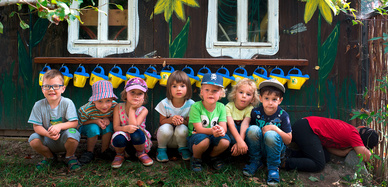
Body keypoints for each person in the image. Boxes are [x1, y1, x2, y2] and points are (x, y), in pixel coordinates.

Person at [28, 69, 81, 171]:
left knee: (73, 133)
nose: (51, 89)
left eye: (56, 86)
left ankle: (69, 156)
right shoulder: (38, 105)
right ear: (42, 89)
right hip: (48, 139)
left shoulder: (67, 103)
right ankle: (49, 157)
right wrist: (48, 134)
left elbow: (74, 123)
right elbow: (36, 126)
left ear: (63, 89)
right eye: (47, 86)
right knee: (33, 139)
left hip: (64, 138)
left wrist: (59, 126)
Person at [283, 116, 379, 172]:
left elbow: (329, 149)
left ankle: (287, 153)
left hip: (305, 127)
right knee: (319, 165)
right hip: (306, 128)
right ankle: (283, 163)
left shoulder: (349, 132)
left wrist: (347, 151)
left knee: (325, 156)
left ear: (362, 126)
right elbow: (367, 157)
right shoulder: (353, 133)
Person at [244, 78, 292, 186]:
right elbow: (252, 134)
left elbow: (289, 140)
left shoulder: (283, 115)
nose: (270, 103)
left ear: (280, 100)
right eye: (266, 98)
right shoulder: (255, 112)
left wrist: (275, 129)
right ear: (260, 98)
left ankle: (273, 168)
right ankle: (256, 161)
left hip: (276, 150)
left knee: (271, 134)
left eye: (274, 99)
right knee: (252, 129)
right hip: (260, 148)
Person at [187, 73, 231, 171]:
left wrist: (220, 130)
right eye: (207, 90)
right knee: (204, 140)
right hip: (197, 137)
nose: (210, 93)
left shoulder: (221, 107)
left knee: (225, 141)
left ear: (221, 93)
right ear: (201, 92)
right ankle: (196, 158)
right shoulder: (196, 106)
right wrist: (213, 131)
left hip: (213, 135)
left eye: (215, 91)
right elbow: (198, 129)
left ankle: (212, 157)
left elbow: (224, 127)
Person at [110, 78, 153, 168]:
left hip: (139, 140)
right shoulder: (118, 107)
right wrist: (125, 128)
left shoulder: (143, 110)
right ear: (126, 94)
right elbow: (116, 127)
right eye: (132, 92)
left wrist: (132, 109)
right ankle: (120, 154)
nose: (136, 96)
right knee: (118, 137)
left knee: (136, 133)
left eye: (140, 93)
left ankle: (141, 153)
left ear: (144, 96)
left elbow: (134, 126)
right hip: (123, 138)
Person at [155, 70, 195, 162]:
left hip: (181, 138)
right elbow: (162, 121)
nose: (178, 89)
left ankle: (183, 149)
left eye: (182, 86)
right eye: (174, 86)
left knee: (182, 128)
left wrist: (181, 121)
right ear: (169, 88)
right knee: (165, 127)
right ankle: (161, 150)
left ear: (188, 88)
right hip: (166, 139)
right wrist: (171, 120)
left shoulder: (191, 104)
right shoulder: (164, 103)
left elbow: (189, 123)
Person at [77, 80, 117, 165]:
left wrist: (108, 118)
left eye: (108, 100)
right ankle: (89, 151)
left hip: (104, 126)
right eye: (100, 101)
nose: (104, 105)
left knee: (109, 126)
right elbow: (81, 123)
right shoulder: (86, 110)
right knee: (93, 128)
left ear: (112, 99)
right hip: (88, 126)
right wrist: (95, 121)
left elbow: (117, 119)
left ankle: (104, 150)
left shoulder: (114, 106)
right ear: (93, 100)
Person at [226, 78, 259, 157]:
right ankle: (229, 154)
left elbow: (245, 124)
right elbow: (230, 124)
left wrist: (240, 141)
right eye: (241, 92)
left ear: (252, 99)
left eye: (248, 94)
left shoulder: (250, 109)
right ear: (235, 94)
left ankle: (251, 155)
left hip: (243, 135)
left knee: (252, 130)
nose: (244, 96)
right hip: (232, 134)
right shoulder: (228, 107)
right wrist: (239, 141)